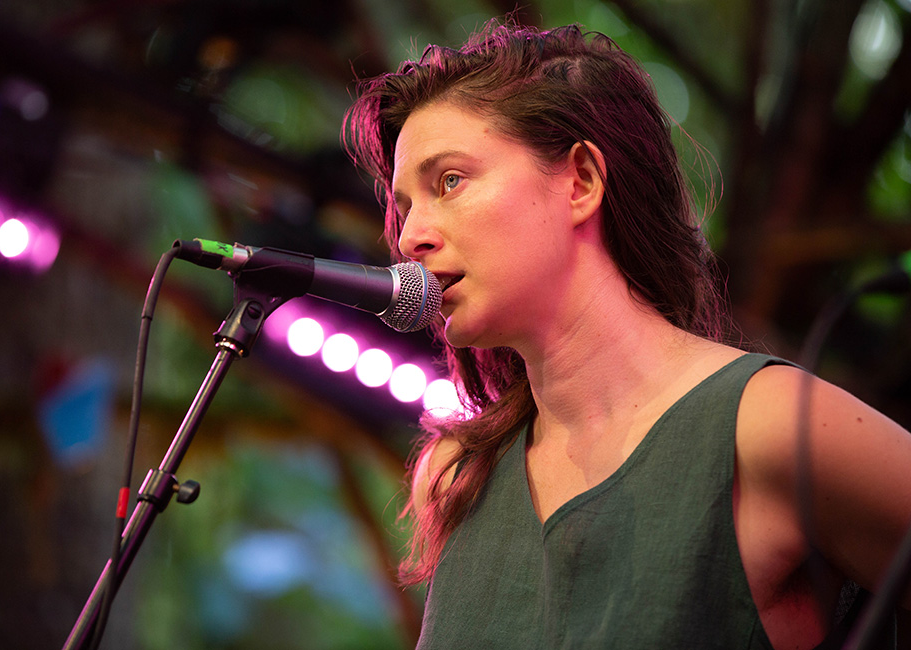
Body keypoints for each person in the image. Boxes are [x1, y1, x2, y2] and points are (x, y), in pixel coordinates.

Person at [341, 19, 911, 650]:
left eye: (449, 181)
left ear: (580, 180)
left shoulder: (769, 426)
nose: (410, 236)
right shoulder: (456, 476)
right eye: (405, 205)